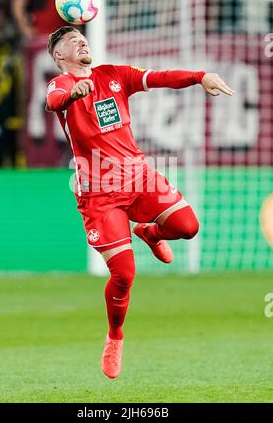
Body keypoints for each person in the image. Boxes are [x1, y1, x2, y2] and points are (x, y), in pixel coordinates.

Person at [45, 26, 234, 379]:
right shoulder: (61, 85)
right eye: (71, 41)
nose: (81, 41)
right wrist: (74, 94)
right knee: (125, 274)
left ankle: (149, 232)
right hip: (99, 192)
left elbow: (160, 77)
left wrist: (199, 76)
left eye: (82, 37)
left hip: (139, 176)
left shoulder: (114, 75)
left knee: (188, 227)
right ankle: (115, 336)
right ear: (59, 56)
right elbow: (54, 100)